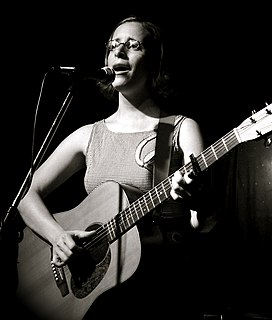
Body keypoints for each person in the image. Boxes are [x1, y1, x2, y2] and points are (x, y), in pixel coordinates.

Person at [17, 15, 210, 320]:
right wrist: (57, 237)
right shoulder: (88, 135)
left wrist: (196, 197)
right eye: (113, 46)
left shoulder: (178, 130)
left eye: (133, 46)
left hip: (156, 294)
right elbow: (26, 194)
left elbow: (203, 220)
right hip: (97, 303)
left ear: (155, 64)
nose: (119, 52)